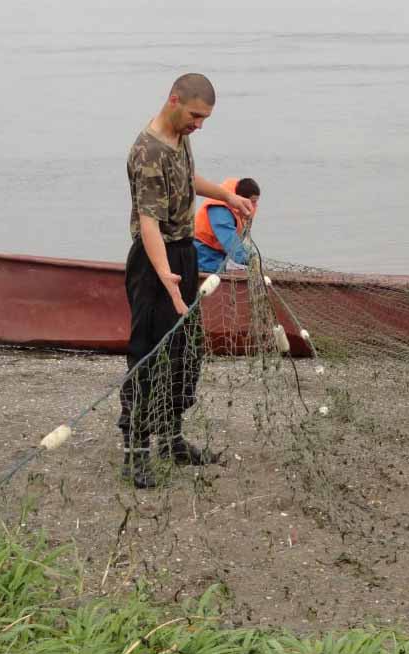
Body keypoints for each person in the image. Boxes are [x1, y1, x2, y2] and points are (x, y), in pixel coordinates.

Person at [119, 73, 256, 488]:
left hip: (182, 249)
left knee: (186, 350)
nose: (200, 124)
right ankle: (136, 451)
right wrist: (166, 279)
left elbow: (186, 179)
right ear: (174, 100)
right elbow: (148, 221)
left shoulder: (181, 136)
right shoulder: (147, 151)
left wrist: (225, 195)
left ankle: (172, 439)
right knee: (149, 354)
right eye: (196, 115)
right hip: (153, 259)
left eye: (205, 119)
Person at [194, 177, 260, 273]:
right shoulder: (220, 211)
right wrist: (250, 260)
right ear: (241, 198)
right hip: (203, 249)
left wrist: (251, 253)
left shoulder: (245, 191)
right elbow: (231, 244)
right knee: (212, 275)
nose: (254, 206)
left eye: (256, 201)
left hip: (220, 250)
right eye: (253, 201)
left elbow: (240, 238)